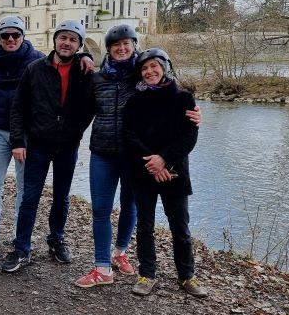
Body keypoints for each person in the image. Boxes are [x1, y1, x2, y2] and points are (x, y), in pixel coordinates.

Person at [75, 24, 201, 288]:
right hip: (104, 151)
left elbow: (171, 103)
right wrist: (82, 55)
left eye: (126, 44)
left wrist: (193, 116)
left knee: (131, 207)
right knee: (101, 209)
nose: (121, 48)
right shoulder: (97, 79)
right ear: (108, 49)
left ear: (135, 46)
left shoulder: (141, 76)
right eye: (115, 45)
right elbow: (82, 114)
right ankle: (102, 267)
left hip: (135, 157)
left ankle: (121, 252)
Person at [1, 20, 94, 273]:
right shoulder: (35, 69)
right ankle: (22, 248)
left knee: (61, 197)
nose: (67, 43)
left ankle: (56, 240)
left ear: (79, 45)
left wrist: (76, 130)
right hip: (38, 144)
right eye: (63, 38)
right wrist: (18, 141)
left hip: (67, 146)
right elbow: (18, 107)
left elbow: (92, 106)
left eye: (73, 40)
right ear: (55, 40)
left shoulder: (84, 71)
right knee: (30, 197)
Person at [122, 48, 208, 298]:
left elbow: (189, 136)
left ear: (165, 67)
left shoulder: (184, 99)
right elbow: (129, 136)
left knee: (180, 227)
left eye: (154, 66)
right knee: (145, 226)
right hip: (143, 170)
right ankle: (147, 274)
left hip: (175, 172)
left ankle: (187, 276)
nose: (149, 71)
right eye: (144, 68)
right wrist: (153, 163)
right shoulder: (135, 101)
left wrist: (165, 160)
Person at [0, 16, 43, 251]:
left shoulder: (37, 60)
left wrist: (85, 57)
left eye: (15, 35)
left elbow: (63, 65)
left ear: (23, 36)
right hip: (0, 132)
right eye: (5, 35)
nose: (11, 39)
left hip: (26, 134)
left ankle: (20, 231)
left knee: (23, 186)